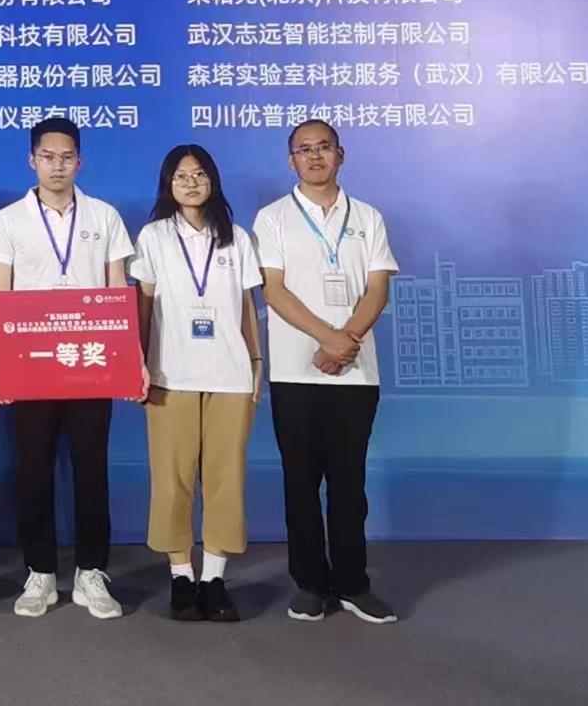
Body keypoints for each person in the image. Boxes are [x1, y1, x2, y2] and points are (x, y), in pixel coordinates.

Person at [0, 115, 137, 619]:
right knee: (33, 471)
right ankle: (41, 573)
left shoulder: (104, 216)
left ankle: (91, 572)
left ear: (79, 161)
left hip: (91, 364)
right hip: (31, 365)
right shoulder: (8, 220)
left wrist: (129, 360)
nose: (57, 165)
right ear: (32, 160)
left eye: (66, 157)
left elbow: (118, 291)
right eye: (47, 156)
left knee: (92, 470)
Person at [253, 120, 399, 624]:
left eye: (323, 147)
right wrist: (326, 337)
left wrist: (345, 341)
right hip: (295, 373)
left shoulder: (369, 217)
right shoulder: (272, 218)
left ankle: (354, 583)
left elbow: (378, 287)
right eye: (304, 149)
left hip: (355, 373)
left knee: (348, 484)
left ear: (341, 154)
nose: (314, 156)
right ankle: (311, 584)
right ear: (290, 160)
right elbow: (273, 289)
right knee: (300, 483)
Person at [132, 144, 264, 623]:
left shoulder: (237, 238)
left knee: (226, 479)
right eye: (181, 176)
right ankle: (181, 576)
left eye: (200, 174)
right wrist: (136, 363)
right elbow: (144, 304)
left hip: (230, 376)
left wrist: (256, 363)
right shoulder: (153, 236)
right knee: (173, 478)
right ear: (168, 184)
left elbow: (247, 307)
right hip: (170, 374)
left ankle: (215, 578)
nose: (191, 183)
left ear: (214, 180)